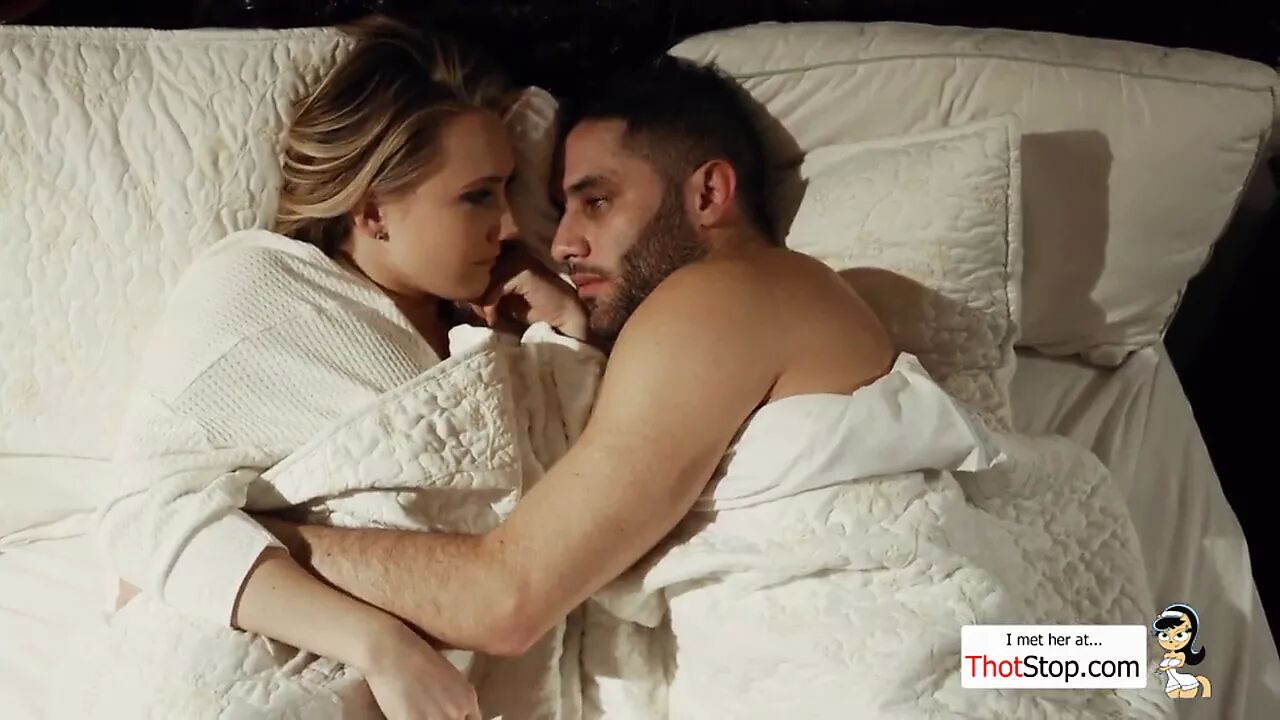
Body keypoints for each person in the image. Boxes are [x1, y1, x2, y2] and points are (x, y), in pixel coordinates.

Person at [255, 52, 896, 712]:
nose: (561, 244)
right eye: (563, 209)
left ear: (707, 194)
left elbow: (504, 600)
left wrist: (252, 546)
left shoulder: (719, 299)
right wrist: (568, 338)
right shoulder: (773, 303)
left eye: (597, 201)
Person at [94, 16, 588, 720]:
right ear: (373, 210)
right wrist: (381, 644)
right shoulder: (262, 290)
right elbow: (140, 520)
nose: (509, 227)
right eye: (478, 195)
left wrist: (564, 337)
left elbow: (564, 517)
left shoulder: (489, 336)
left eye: (508, 190)